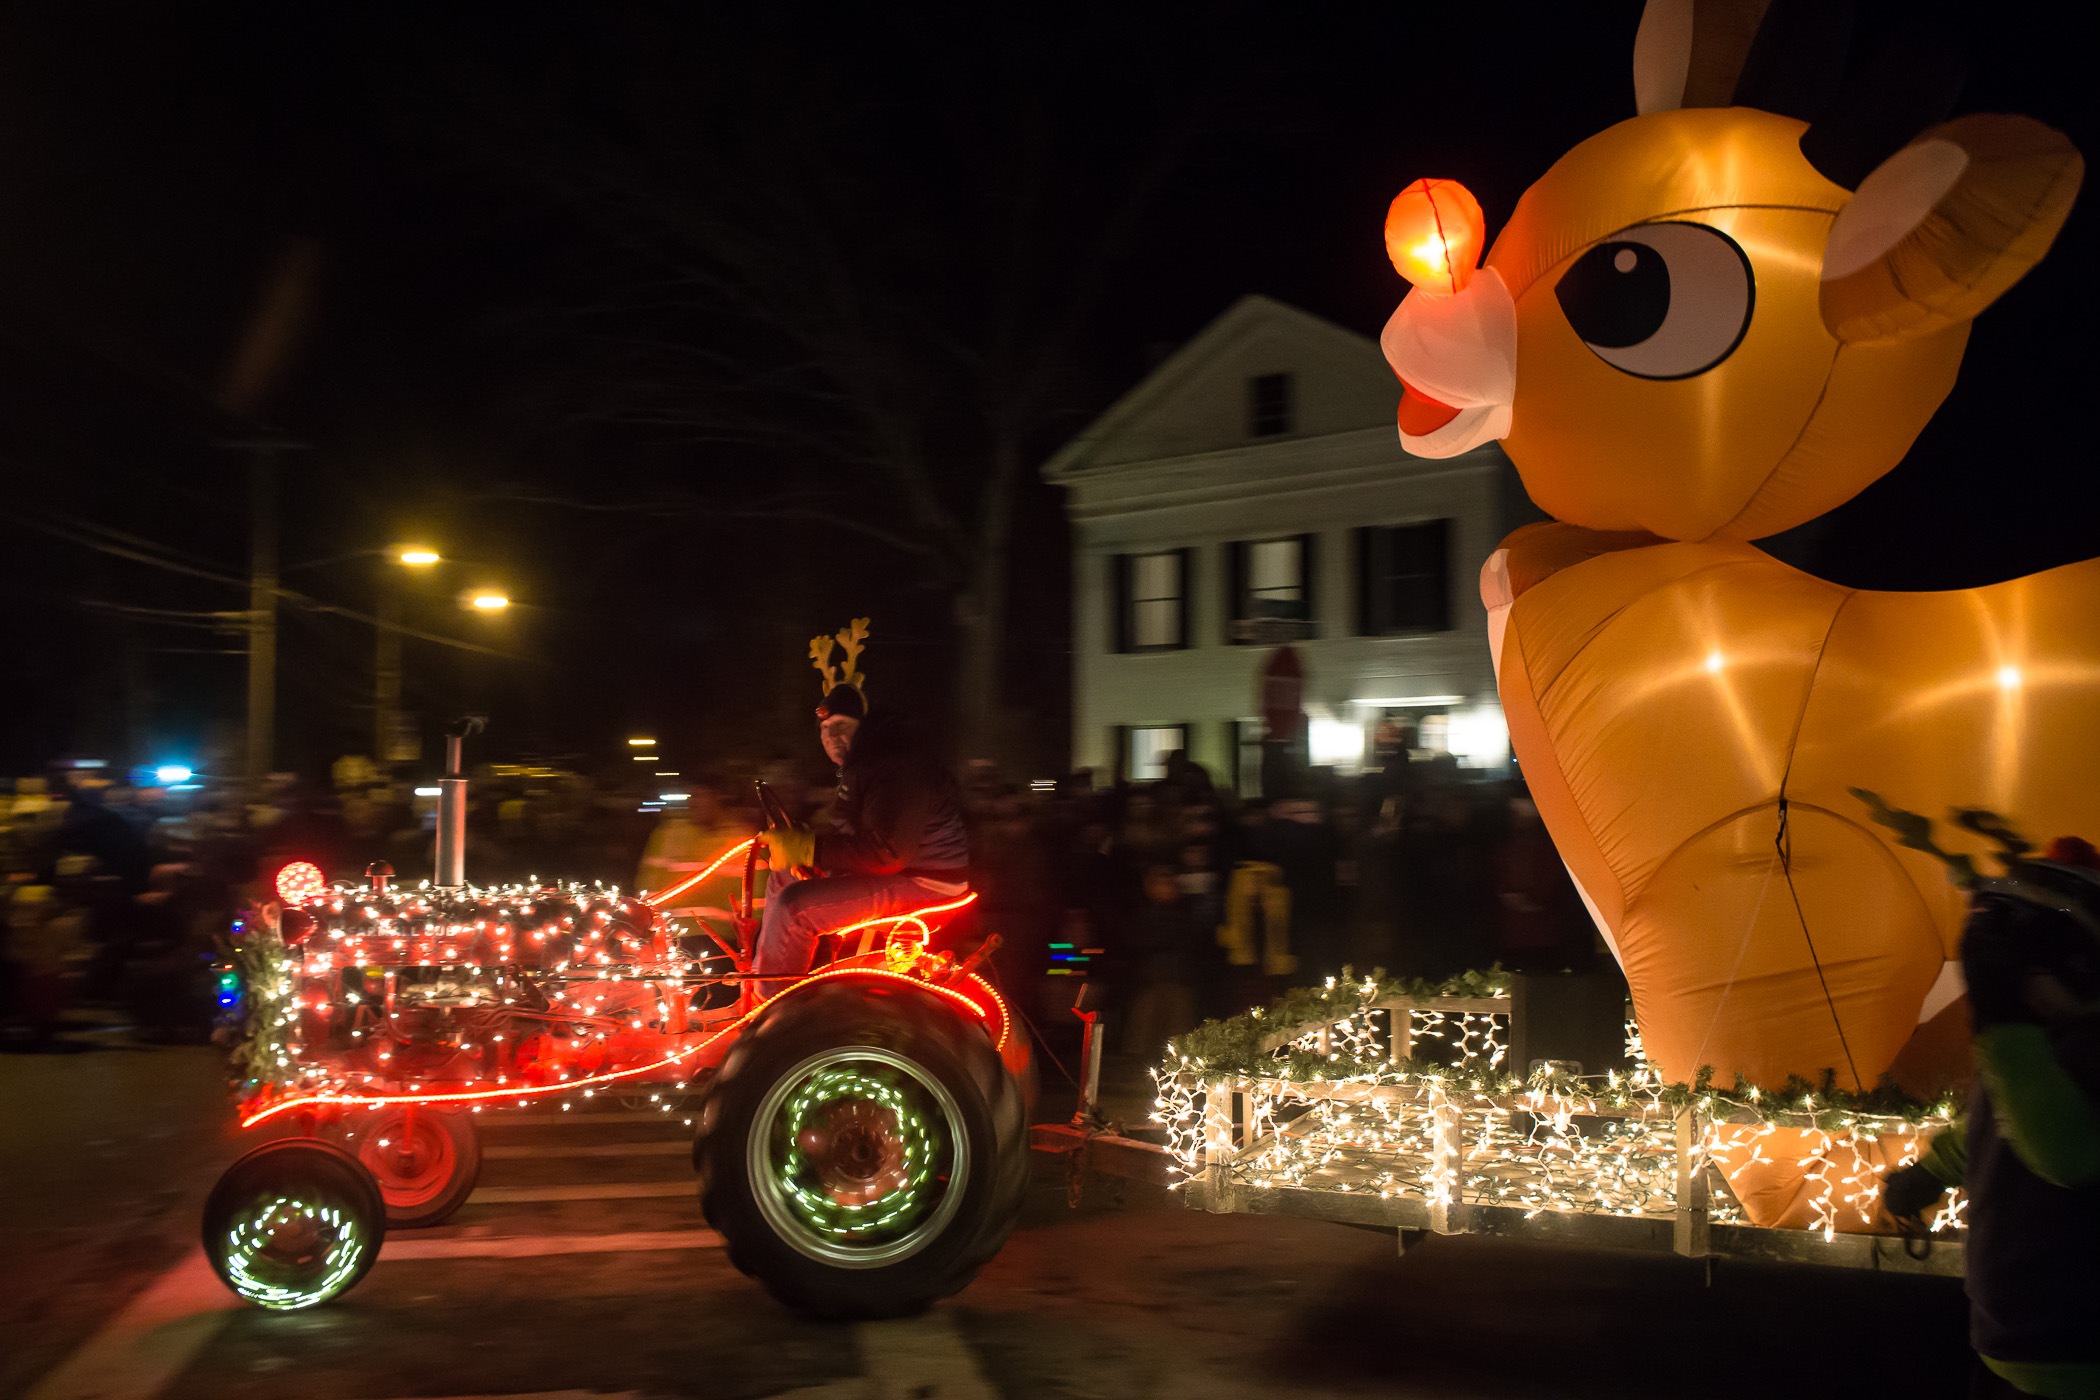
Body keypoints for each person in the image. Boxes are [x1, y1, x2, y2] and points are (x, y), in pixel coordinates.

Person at [1878, 839, 2100, 1399]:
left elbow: (2070, 1154)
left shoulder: (2082, 1045)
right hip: (2010, 1344)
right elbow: (1992, 1118)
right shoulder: (2030, 1042)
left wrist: (2003, 1023)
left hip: (2077, 1356)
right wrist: (1929, 1172)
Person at [750, 687, 970, 996]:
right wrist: (805, 848)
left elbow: (888, 853)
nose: (830, 736)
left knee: (796, 907)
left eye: (842, 725)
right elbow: (856, 837)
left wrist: (807, 848)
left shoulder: (898, 768)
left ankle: (770, 1009)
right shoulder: (864, 768)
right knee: (783, 876)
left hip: (927, 882)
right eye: (825, 729)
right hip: (897, 872)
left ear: (866, 727)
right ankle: (759, 984)